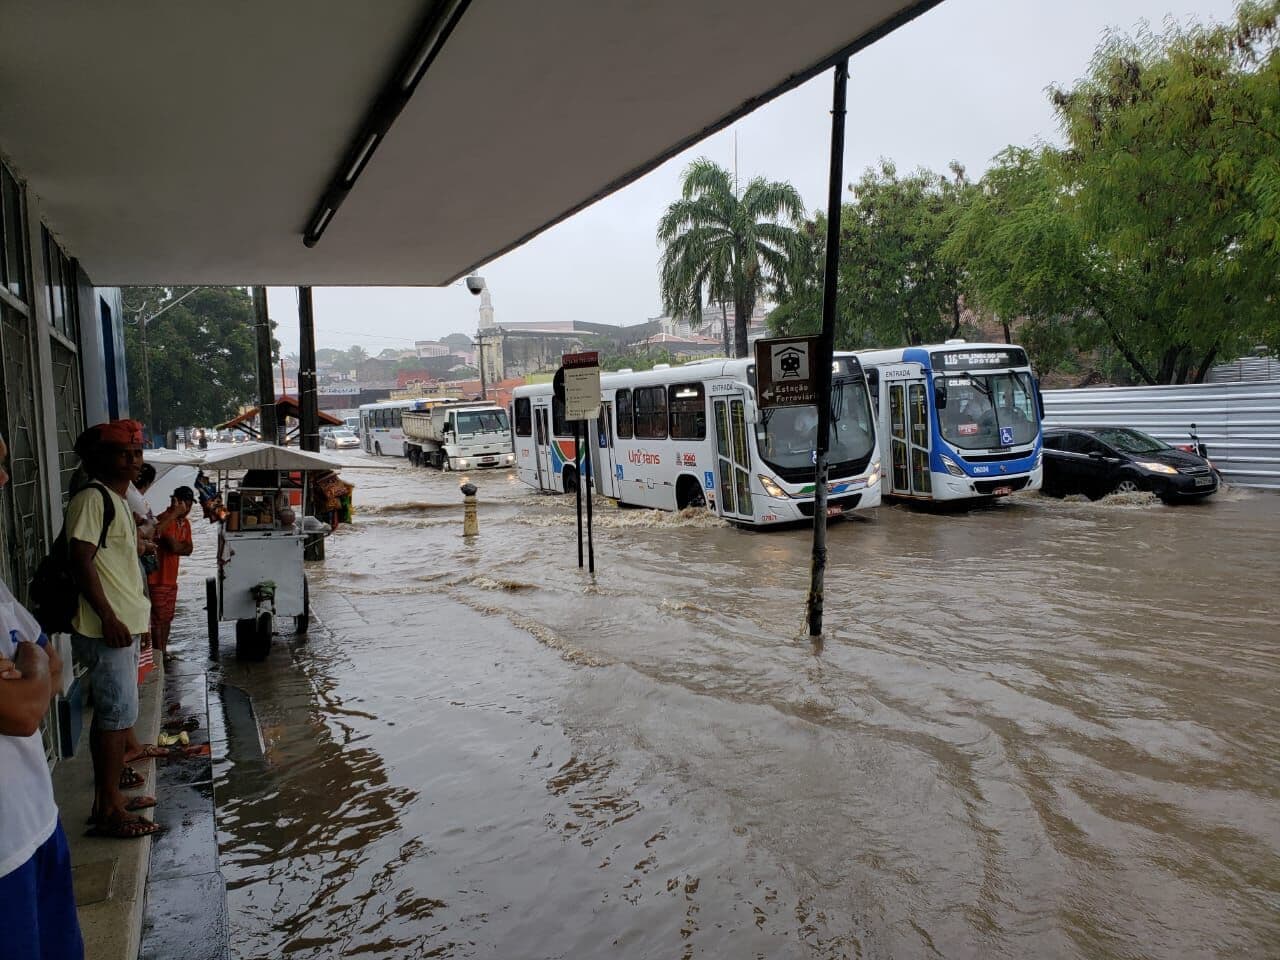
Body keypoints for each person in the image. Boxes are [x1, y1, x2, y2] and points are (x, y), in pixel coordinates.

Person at [0, 431, 85, 959]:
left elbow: (49, 665)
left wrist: (26, 664)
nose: (4, 478)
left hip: (37, 820)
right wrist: (28, 668)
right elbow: (25, 711)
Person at [67, 420, 161, 839]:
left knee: (118, 715)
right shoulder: (93, 499)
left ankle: (111, 798)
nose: (133, 460)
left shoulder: (117, 500)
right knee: (113, 716)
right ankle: (108, 809)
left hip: (123, 624)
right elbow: (81, 560)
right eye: (124, 453)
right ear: (99, 459)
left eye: (137, 452)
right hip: (108, 629)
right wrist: (108, 616)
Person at [147, 487, 194, 662]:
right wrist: (181, 546)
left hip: (171, 580)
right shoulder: (164, 519)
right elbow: (174, 547)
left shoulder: (185, 523)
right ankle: (158, 655)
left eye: (190, 505)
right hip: (157, 579)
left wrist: (180, 547)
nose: (188, 508)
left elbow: (189, 549)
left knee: (167, 618)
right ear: (176, 502)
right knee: (158, 619)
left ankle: (163, 652)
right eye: (185, 504)